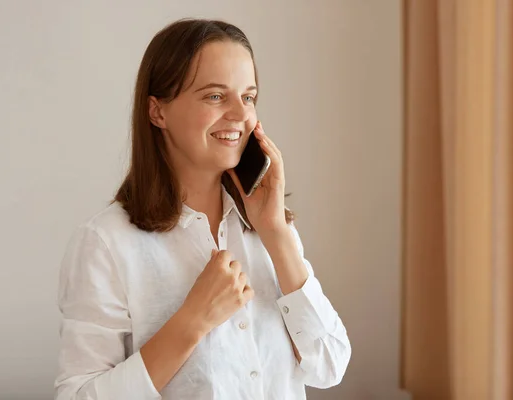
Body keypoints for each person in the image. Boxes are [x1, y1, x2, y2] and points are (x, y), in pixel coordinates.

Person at [54, 18, 351, 400]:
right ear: (157, 112)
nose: (240, 115)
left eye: (248, 97)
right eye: (215, 96)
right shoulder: (106, 244)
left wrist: (277, 236)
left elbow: (330, 366)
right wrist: (191, 321)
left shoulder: (270, 230)